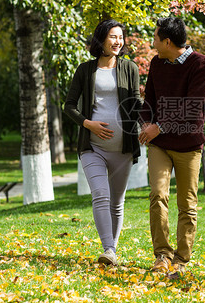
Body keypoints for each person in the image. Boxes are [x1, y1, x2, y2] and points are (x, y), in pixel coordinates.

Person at [138, 17, 205, 276]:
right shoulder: (157, 63)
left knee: (187, 204)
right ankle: (162, 255)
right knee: (158, 195)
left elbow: (192, 109)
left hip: (188, 145)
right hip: (160, 144)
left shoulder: (200, 64)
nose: (153, 42)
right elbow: (149, 100)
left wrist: (157, 126)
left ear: (167, 41)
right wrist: (146, 123)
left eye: (155, 38)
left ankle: (180, 259)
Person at [64, 19, 141, 266]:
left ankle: (113, 250)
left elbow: (136, 104)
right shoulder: (85, 70)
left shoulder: (130, 68)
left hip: (123, 149)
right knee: (100, 194)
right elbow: (69, 105)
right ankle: (108, 250)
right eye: (113, 36)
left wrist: (152, 119)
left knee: (117, 202)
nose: (118, 41)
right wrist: (89, 123)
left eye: (121, 37)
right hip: (92, 147)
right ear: (101, 39)